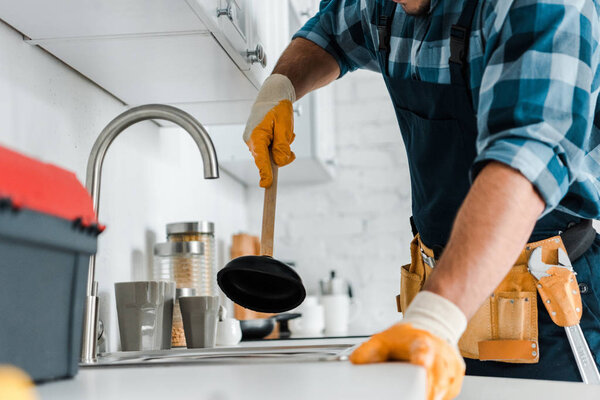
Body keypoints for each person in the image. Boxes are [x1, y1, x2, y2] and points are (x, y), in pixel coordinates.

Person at [242, 0, 600, 398]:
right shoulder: (380, 6)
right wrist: (281, 86)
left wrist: (435, 318)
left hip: (549, 309)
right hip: (444, 302)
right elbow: (330, 33)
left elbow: (526, 162)